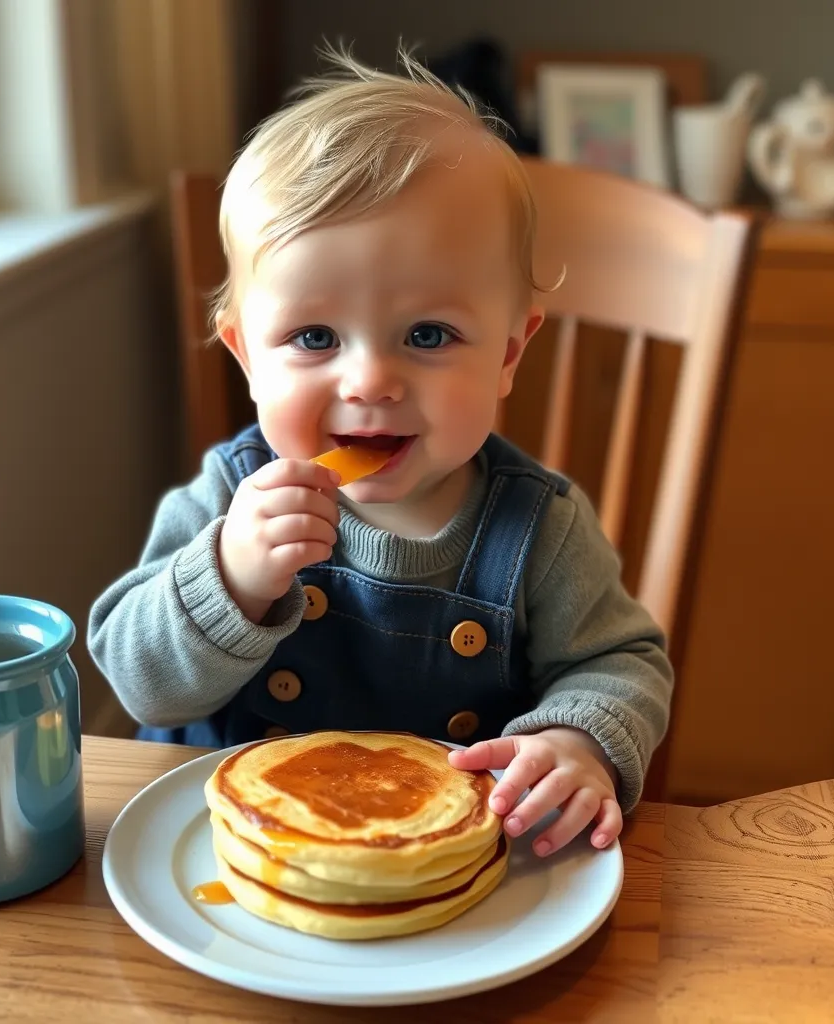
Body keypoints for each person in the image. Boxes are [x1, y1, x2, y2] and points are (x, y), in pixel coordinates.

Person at [88, 48, 673, 858]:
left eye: (428, 335)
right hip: (236, 865)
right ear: (247, 355)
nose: (370, 380)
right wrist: (229, 577)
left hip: (452, 873)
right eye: (314, 337)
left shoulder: (538, 528)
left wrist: (579, 743)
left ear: (508, 353)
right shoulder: (229, 498)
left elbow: (622, 663)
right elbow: (135, 680)